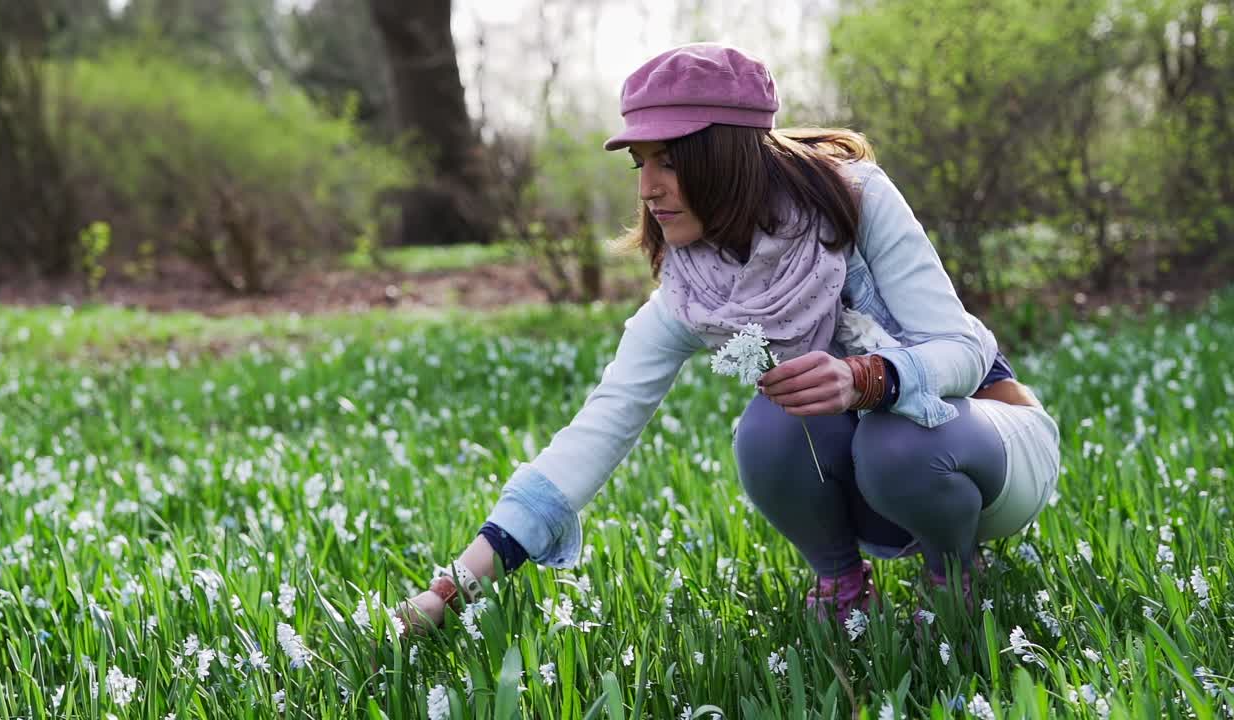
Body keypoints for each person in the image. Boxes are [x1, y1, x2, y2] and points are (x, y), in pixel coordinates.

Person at [402, 42, 1061, 631]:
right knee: (767, 429)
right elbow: (595, 432)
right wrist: (450, 587)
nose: (647, 188)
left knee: (893, 436)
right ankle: (842, 591)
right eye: (639, 162)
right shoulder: (696, 289)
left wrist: (866, 378)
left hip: (989, 451)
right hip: (882, 486)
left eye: (667, 160)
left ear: (724, 154)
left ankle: (954, 581)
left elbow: (966, 349)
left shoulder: (854, 198)